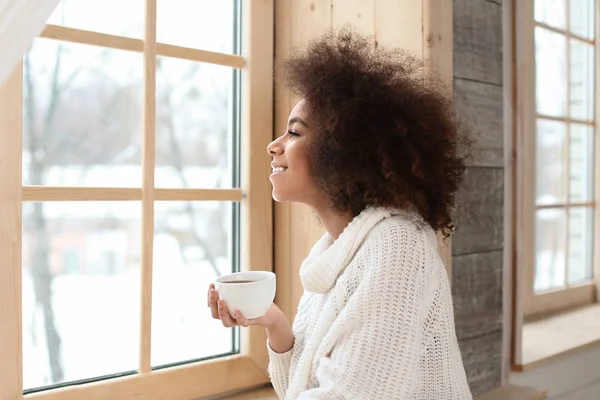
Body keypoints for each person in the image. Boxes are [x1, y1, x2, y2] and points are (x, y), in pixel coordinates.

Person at [207, 28, 473, 399]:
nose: (274, 146)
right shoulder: (338, 252)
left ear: (343, 151)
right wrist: (275, 325)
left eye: (294, 134)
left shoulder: (397, 247)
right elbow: (300, 388)